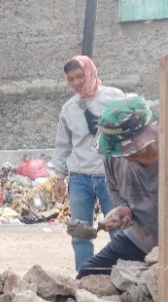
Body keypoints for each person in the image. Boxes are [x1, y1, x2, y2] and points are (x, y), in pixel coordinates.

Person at [52, 55, 124, 271]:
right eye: (70, 79)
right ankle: (85, 278)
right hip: (79, 180)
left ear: (91, 73)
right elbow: (63, 145)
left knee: (119, 231)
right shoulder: (69, 109)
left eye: (79, 77)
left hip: (110, 178)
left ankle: (126, 277)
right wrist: (59, 177)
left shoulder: (114, 99)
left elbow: (130, 135)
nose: (75, 83)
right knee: (80, 233)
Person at [76, 95, 158, 278]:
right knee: (88, 275)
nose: (125, 155)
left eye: (132, 148)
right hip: (138, 240)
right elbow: (113, 186)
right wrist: (123, 208)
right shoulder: (113, 155)